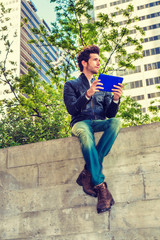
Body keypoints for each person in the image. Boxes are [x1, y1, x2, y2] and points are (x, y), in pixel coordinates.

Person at [63, 45, 123, 214]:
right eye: (95, 59)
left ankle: (87, 173)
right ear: (84, 63)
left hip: (98, 122)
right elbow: (72, 109)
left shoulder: (103, 87)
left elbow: (109, 113)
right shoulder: (71, 85)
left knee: (116, 122)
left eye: (99, 59)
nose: (98, 62)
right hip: (80, 123)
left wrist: (116, 99)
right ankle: (100, 185)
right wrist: (88, 94)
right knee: (86, 135)